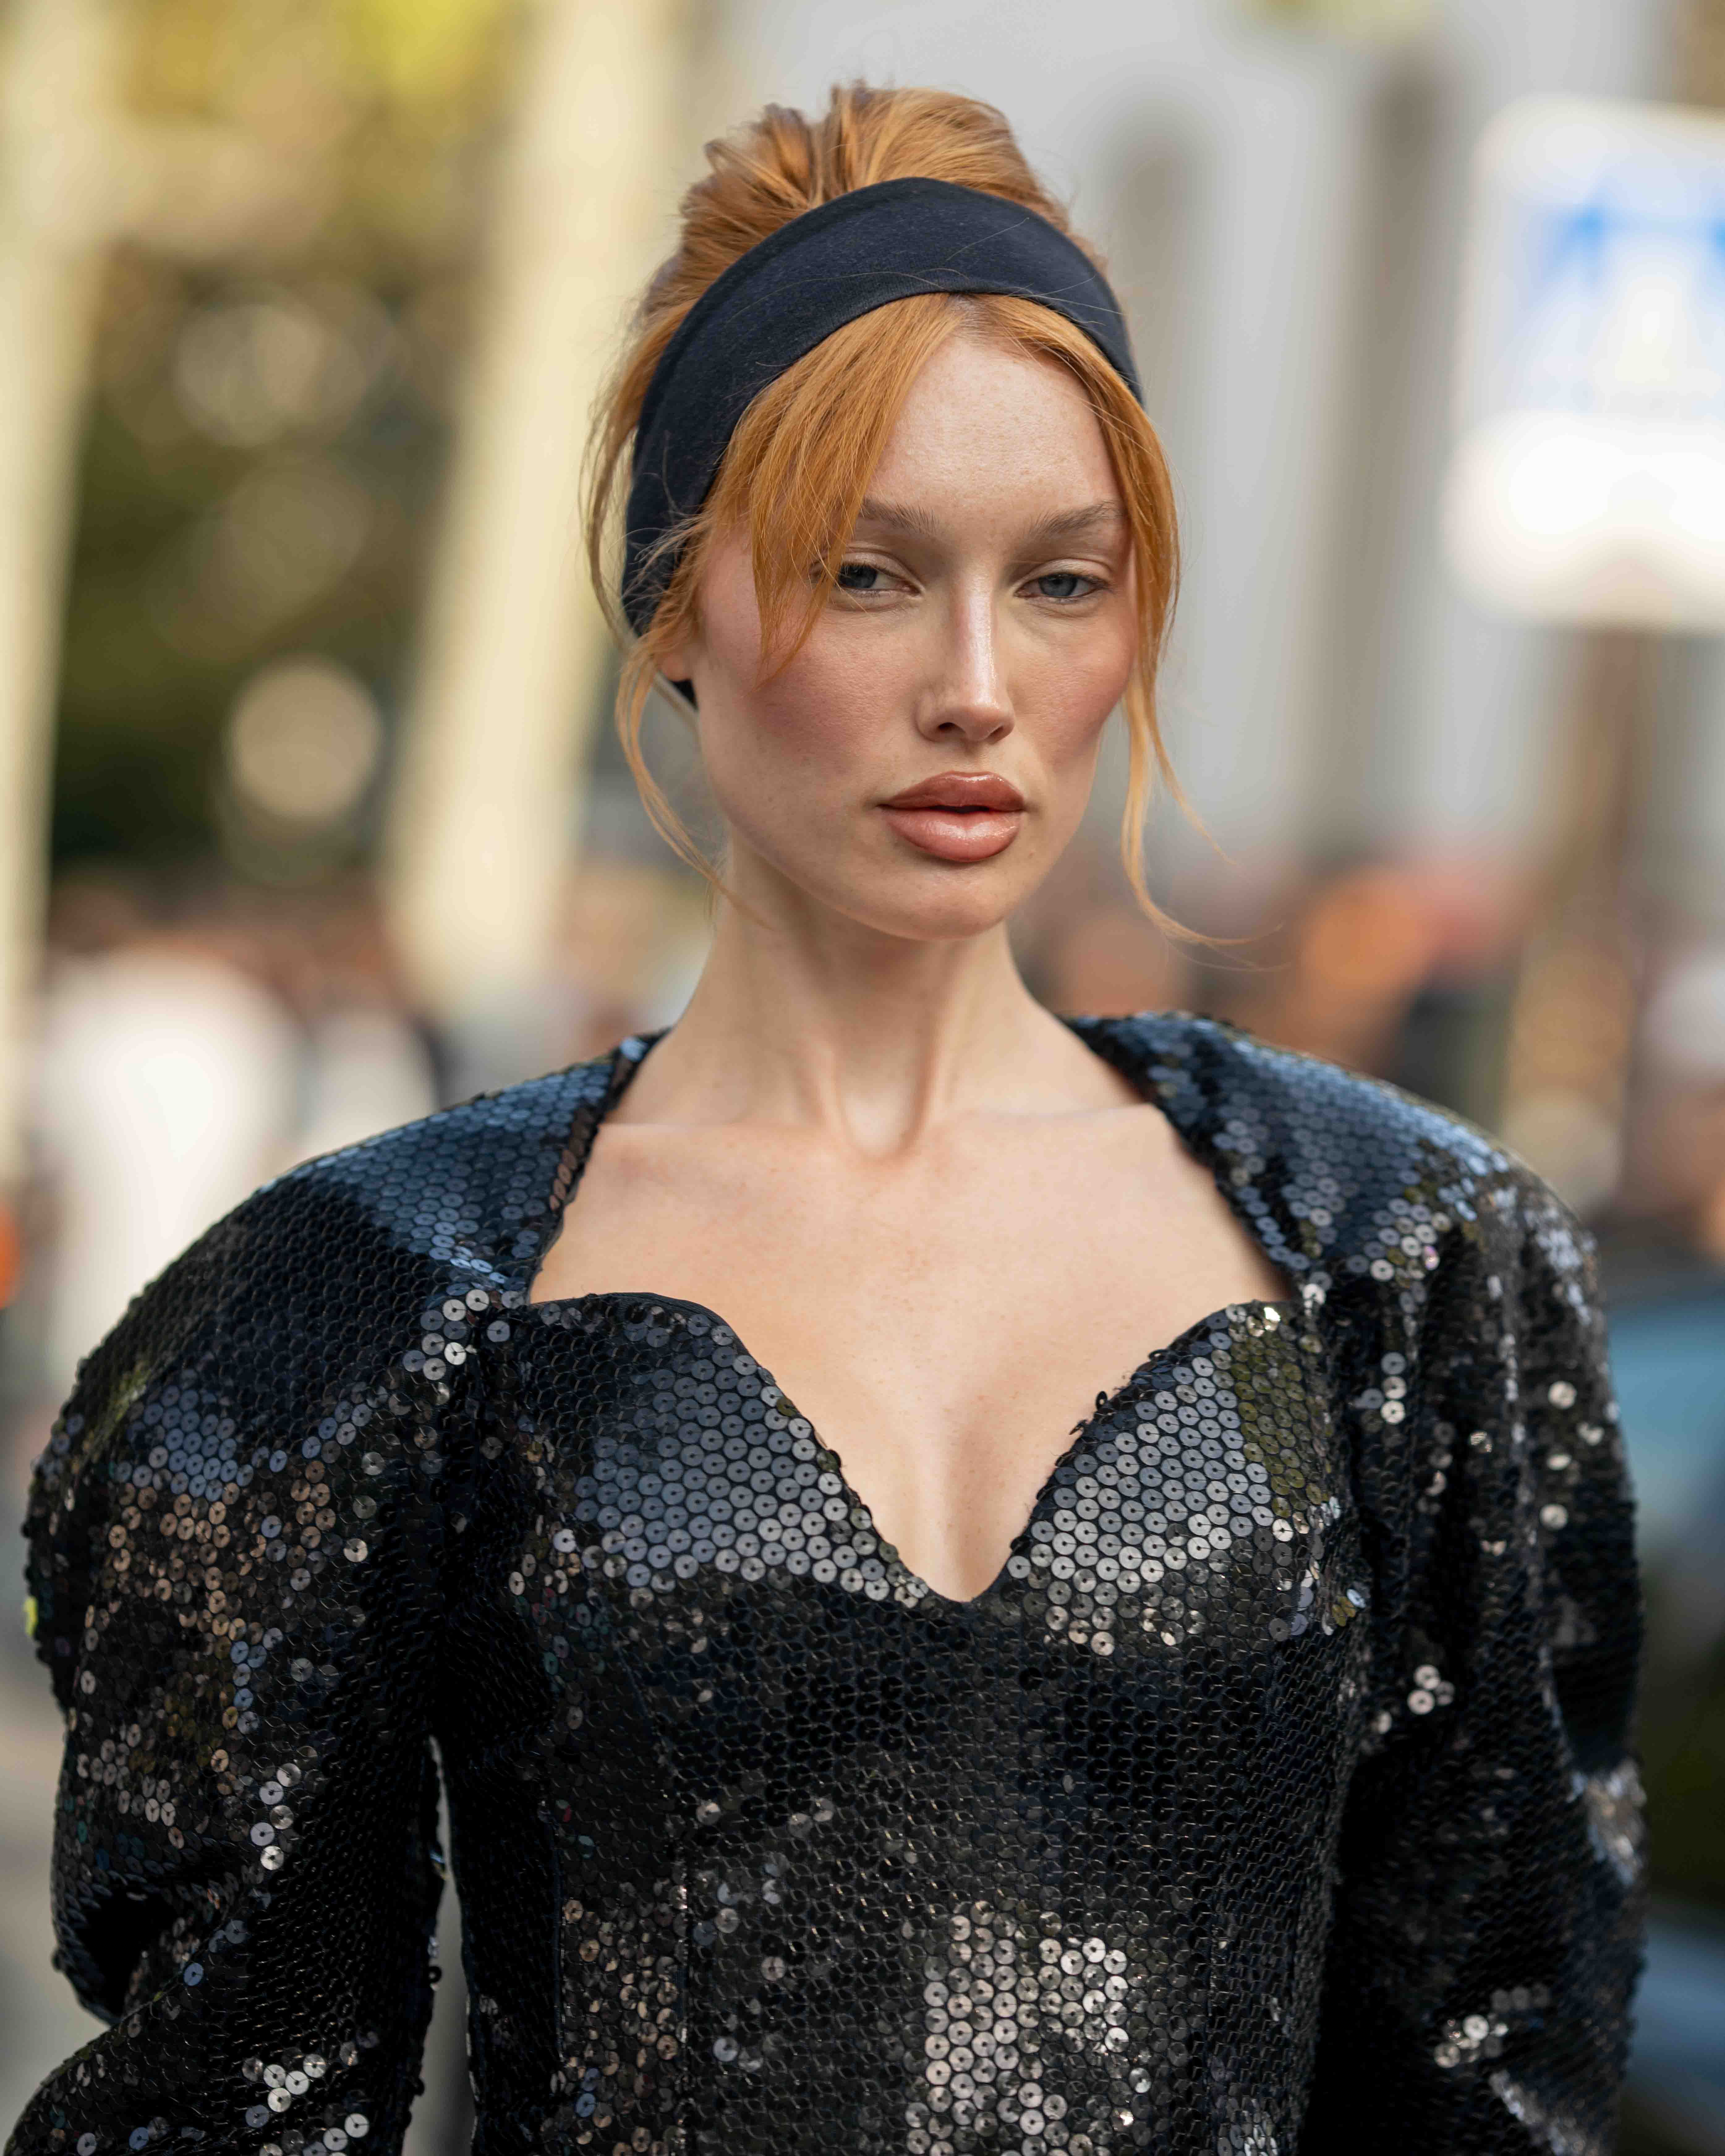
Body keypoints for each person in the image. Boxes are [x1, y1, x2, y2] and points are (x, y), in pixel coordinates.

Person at [8, 84, 1645, 2156]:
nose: (976, 683)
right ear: (681, 604)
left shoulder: (1404, 1267)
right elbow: (227, 2102)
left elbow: (1499, 2074)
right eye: (871, 574)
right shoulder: (372, 1304)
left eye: (1063, 584)